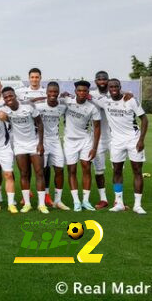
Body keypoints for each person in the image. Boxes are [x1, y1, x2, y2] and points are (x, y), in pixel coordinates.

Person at [90, 79, 148, 214]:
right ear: (108, 88)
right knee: (116, 171)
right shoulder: (105, 101)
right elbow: (86, 95)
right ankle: (119, 203)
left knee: (137, 171)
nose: (114, 88)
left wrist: (141, 140)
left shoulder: (131, 100)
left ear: (120, 87)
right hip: (116, 141)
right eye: (111, 86)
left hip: (133, 139)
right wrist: (65, 95)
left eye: (116, 86)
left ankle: (137, 205)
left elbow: (144, 119)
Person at [0, 87, 48, 214]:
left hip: (34, 143)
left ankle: (41, 204)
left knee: (39, 173)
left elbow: (40, 123)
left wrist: (41, 143)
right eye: (6, 97)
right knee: (24, 174)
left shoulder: (28, 106)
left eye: (10, 96)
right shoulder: (4, 109)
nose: (8, 99)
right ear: (3, 99)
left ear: (15, 96)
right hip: (19, 146)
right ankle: (27, 204)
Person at [62, 80, 101, 212]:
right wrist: (62, 95)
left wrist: (94, 147)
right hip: (70, 142)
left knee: (86, 168)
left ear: (88, 92)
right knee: (71, 170)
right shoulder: (67, 101)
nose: (82, 93)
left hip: (86, 141)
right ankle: (76, 201)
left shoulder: (92, 108)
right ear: (75, 92)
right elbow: (52, 100)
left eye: (84, 91)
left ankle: (85, 200)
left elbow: (97, 128)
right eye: (79, 90)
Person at [34, 82, 70, 210]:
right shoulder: (38, 106)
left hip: (55, 141)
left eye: (56, 92)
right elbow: (26, 104)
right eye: (51, 92)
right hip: (41, 141)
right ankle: (41, 201)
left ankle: (58, 201)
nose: (53, 94)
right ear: (47, 93)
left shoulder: (62, 106)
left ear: (58, 93)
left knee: (59, 169)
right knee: (42, 172)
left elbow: (76, 100)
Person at [89, 71, 111, 209]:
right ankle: (103, 199)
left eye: (104, 79)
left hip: (115, 137)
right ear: (95, 81)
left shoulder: (116, 93)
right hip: (97, 138)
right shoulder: (90, 94)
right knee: (99, 171)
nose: (102, 81)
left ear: (108, 80)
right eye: (99, 79)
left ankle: (118, 200)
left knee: (118, 170)